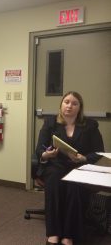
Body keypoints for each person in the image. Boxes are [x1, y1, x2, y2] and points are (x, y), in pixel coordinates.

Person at [35, 91, 104, 245]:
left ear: (80, 108)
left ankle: (68, 235)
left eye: (74, 103)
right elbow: (39, 149)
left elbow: (99, 151)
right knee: (53, 181)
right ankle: (53, 233)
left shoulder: (90, 125)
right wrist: (46, 155)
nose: (69, 106)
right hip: (56, 164)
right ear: (61, 104)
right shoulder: (50, 122)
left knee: (74, 186)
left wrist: (85, 158)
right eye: (66, 102)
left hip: (79, 166)